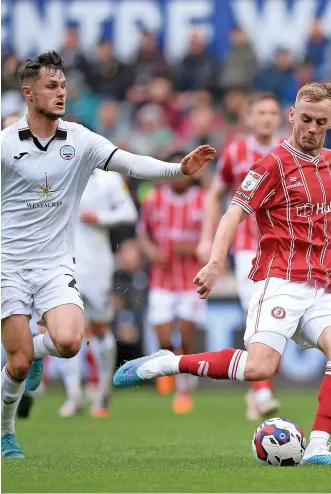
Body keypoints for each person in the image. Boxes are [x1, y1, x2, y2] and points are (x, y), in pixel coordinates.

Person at [113, 82, 331, 465]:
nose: (311, 128)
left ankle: (318, 447)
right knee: (260, 366)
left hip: (320, 287)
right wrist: (215, 261)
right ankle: (168, 363)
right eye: (306, 119)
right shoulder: (271, 165)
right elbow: (234, 212)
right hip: (278, 282)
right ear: (292, 116)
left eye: (321, 122)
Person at [0, 50, 215, 459]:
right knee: (18, 364)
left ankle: (37, 344)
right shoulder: (6, 145)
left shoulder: (79, 140)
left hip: (54, 264)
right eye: (51, 86)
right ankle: (6, 431)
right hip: (8, 266)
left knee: (69, 342)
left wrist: (178, 170)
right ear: (28, 93)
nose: (61, 93)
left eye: (63, 85)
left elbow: (131, 163)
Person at [197, 93, 282, 421]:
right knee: (257, 312)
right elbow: (215, 194)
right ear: (249, 117)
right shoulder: (235, 152)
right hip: (249, 247)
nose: (266, 118)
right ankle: (262, 392)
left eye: (272, 112)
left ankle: (256, 388)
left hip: (285, 245)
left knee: (279, 318)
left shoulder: (289, 150)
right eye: (260, 112)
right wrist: (208, 238)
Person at [58, 169, 138, 419]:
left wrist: (100, 216)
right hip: (62, 264)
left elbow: (129, 213)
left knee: (101, 328)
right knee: (66, 331)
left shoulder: (109, 180)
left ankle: (103, 389)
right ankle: (73, 394)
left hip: (97, 266)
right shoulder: (55, 175)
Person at [138, 151, 206, 413]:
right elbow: (143, 232)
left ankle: (185, 387)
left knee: (187, 334)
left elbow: (211, 239)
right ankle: (169, 369)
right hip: (161, 280)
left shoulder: (202, 200)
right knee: (164, 337)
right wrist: (149, 251)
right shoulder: (153, 199)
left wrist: (190, 249)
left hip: (192, 280)